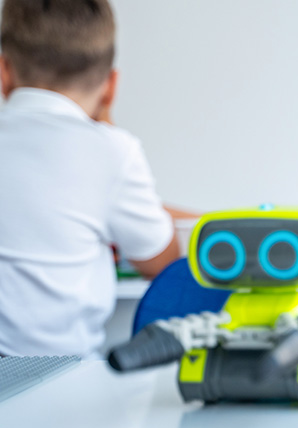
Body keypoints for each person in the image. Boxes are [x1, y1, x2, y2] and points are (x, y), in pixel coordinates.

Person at [0, 0, 182, 358]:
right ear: (110, 86)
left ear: (4, 71)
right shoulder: (113, 151)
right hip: (61, 376)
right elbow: (163, 264)